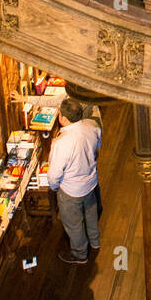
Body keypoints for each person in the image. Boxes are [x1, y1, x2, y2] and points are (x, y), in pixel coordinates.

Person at [47, 97, 101, 263]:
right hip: (91, 182)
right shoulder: (92, 127)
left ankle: (79, 254)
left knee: (74, 223)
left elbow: (54, 175)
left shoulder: (61, 143)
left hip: (72, 190)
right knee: (91, 214)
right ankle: (95, 242)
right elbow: (97, 146)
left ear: (63, 118)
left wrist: (54, 187)